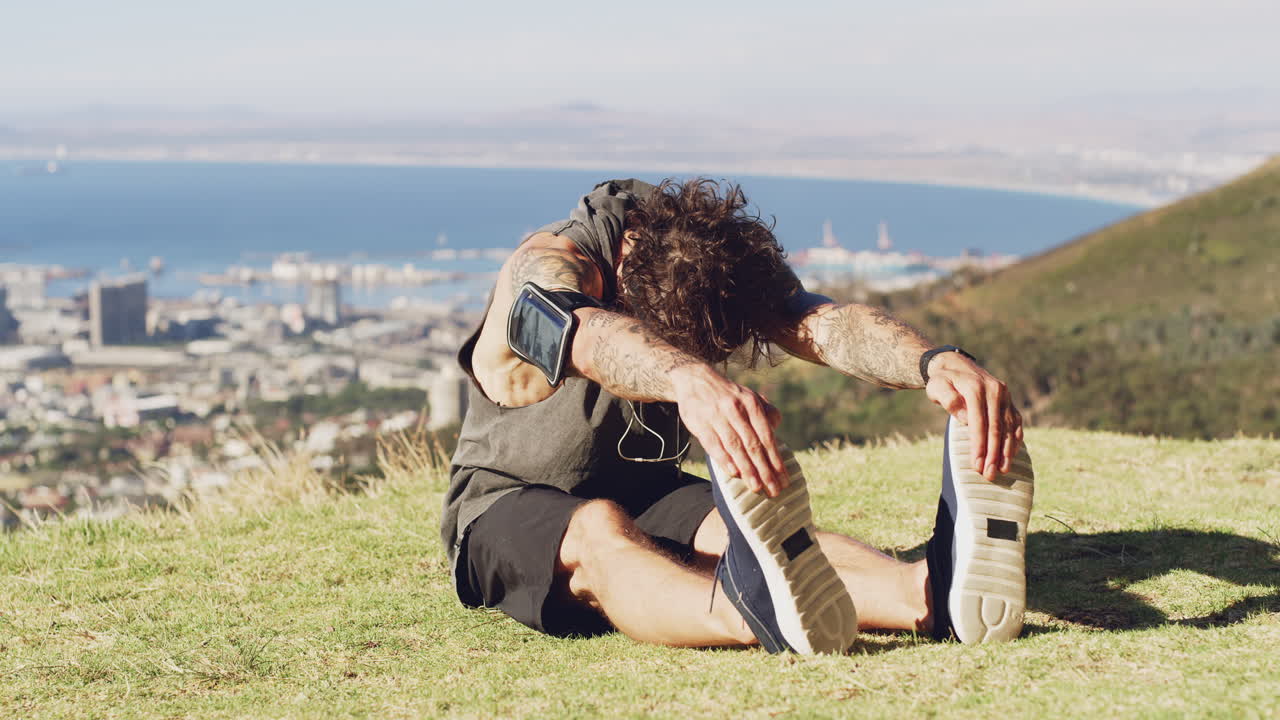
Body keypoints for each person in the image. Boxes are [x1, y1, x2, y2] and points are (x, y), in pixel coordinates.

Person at [440, 178, 1034, 653]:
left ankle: (929, 596)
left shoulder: (711, 255)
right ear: (624, 271)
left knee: (762, 538)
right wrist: (686, 378)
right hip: (504, 503)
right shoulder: (549, 266)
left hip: (650, 487)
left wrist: (933, 362)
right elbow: (578, 329)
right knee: (597, 526)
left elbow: (819, 325)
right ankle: (744, 613)